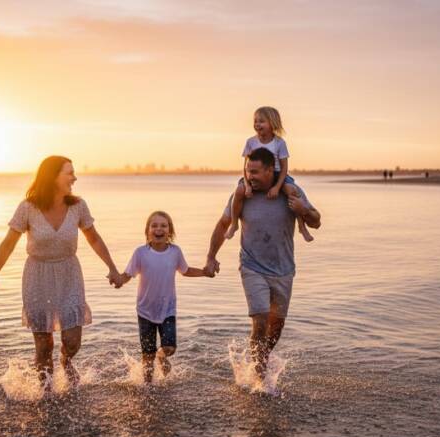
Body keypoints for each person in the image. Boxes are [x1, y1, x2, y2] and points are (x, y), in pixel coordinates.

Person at [0, 155, 122, 386]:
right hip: (38, 275)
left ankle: (66, 360)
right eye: (69, 172)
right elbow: (8, 244)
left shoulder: (78, 206)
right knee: (44, 346)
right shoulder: (28, 208)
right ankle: (46, 397)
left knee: (72, 340)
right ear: (53, 176)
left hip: (69, 274)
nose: (75, 177)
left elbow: (93, 238)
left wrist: (112, 268)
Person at [205, 147, 321, 377]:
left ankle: (262, 359)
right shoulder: (242, 196)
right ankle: (259, 377)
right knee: (259, 318)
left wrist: (303, 209)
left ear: (271, 170)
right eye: (248, 171)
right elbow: (223, 224)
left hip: (283, 270)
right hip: (252, 266)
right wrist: (211, 257)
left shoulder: (290, 191)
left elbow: (316, 221)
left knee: (275, 328)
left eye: (256, 172)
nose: (250, 177)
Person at [116, 211, 212, 383]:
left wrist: (204, 272)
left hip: (167, 309)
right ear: (147, 231)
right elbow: (128, 274)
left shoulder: (175, 252)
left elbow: (186, 271)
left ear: (170, 231)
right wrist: (118, 280)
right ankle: (148, 387)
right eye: (154, 225)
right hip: (145, 309)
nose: (158, 229)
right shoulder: (140, 253)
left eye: (163, 225)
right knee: (147, 354)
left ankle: (161, 357)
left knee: (169, 348)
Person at [225, 106, 314, 242]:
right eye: (255, 121)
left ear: (272, 123)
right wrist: (247, 185)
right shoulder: (251, 142)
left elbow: (284, 168)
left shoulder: (279, 143)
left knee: (292, 190)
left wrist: (277, 187)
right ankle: (234, 224)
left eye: (261, 121)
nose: (257, 124)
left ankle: (302, 226)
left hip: (278, 175)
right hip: (255, 176)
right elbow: (245, 167)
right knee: (239, 191)